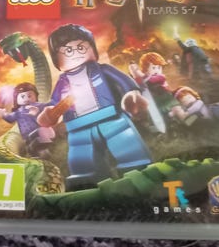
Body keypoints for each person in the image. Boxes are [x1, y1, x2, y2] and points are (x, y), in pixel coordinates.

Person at [37, 24, 152, 189]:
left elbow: (124, 82)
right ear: (57, 58)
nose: (75, 53)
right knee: (82, 159)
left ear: (92, 49)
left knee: (127, 145)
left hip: (111, 118)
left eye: (81, 47)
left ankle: (138, 170)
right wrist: (50, 114)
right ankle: (87, 182)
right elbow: (55, 105)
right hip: (78, 128)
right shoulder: (62, 83)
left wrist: (131, 95)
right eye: (67, 50)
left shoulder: (103, 70)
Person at [0, 82, 55, 158]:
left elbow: (49, 105)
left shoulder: (39, 106)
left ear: (35, 95)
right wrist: (3, 115)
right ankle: (34, 152)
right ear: (16, 99)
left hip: (39, 132)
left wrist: (38, 112)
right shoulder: (18, 112)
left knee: (42, 137)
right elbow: (10, 118)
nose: (26, 99)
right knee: (34, 145)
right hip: (27, 136)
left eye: (29, 96)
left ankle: (41, 150)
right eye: (22, 96)